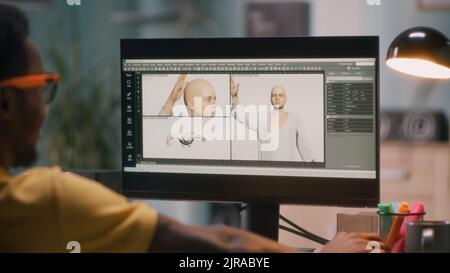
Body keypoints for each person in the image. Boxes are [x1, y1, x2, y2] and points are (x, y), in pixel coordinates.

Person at [0, 3, 388, 253]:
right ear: (7, 102)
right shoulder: (42, 201)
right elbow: (217, 242)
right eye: (41, 87)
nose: (45, 107)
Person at [231, 77, 312, 161]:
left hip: (288, 171)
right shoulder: (262, 118)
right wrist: (234, 96)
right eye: (274, 95)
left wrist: (310, 165)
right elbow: (241, 116)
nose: (277, 98)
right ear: (270, 98)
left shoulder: (294, 118)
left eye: (281, 95)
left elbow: (304, 145)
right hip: (267, 171)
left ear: (285, 98)